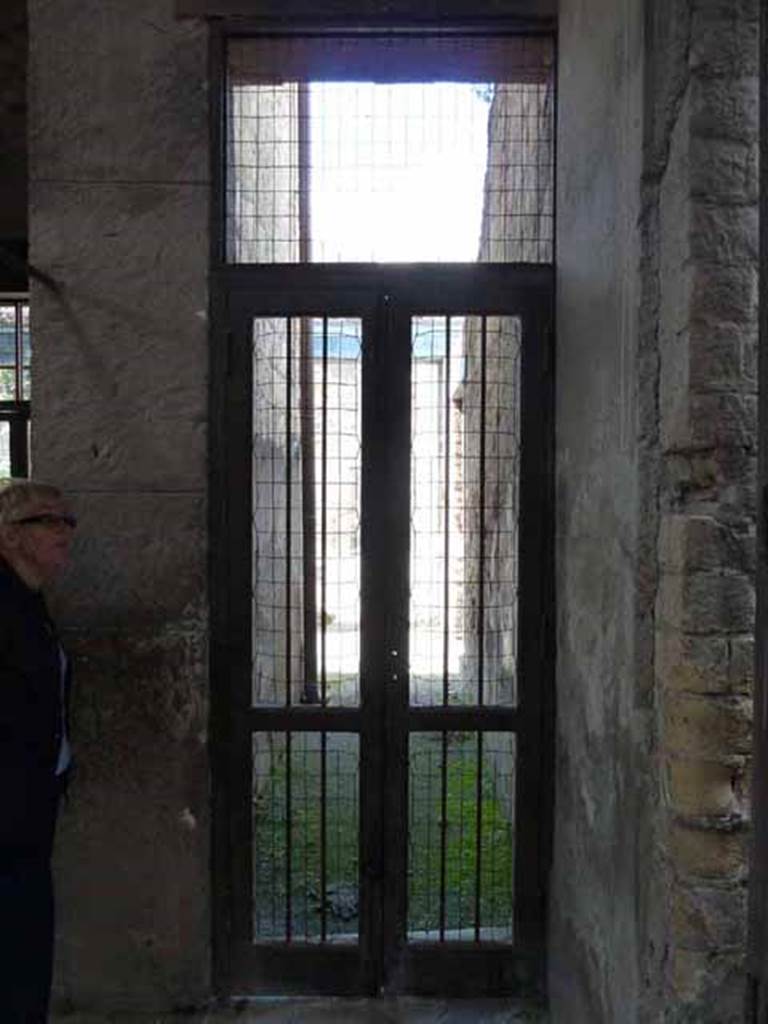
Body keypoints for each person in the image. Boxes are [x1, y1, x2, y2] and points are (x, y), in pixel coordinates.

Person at [0, 480, 77, 1022]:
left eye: (68, 522)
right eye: (49, 521)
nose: (65, 533)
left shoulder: (28, 597)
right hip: (6, 811)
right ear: (9, 535)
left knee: (25, 940)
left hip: (28, 805)